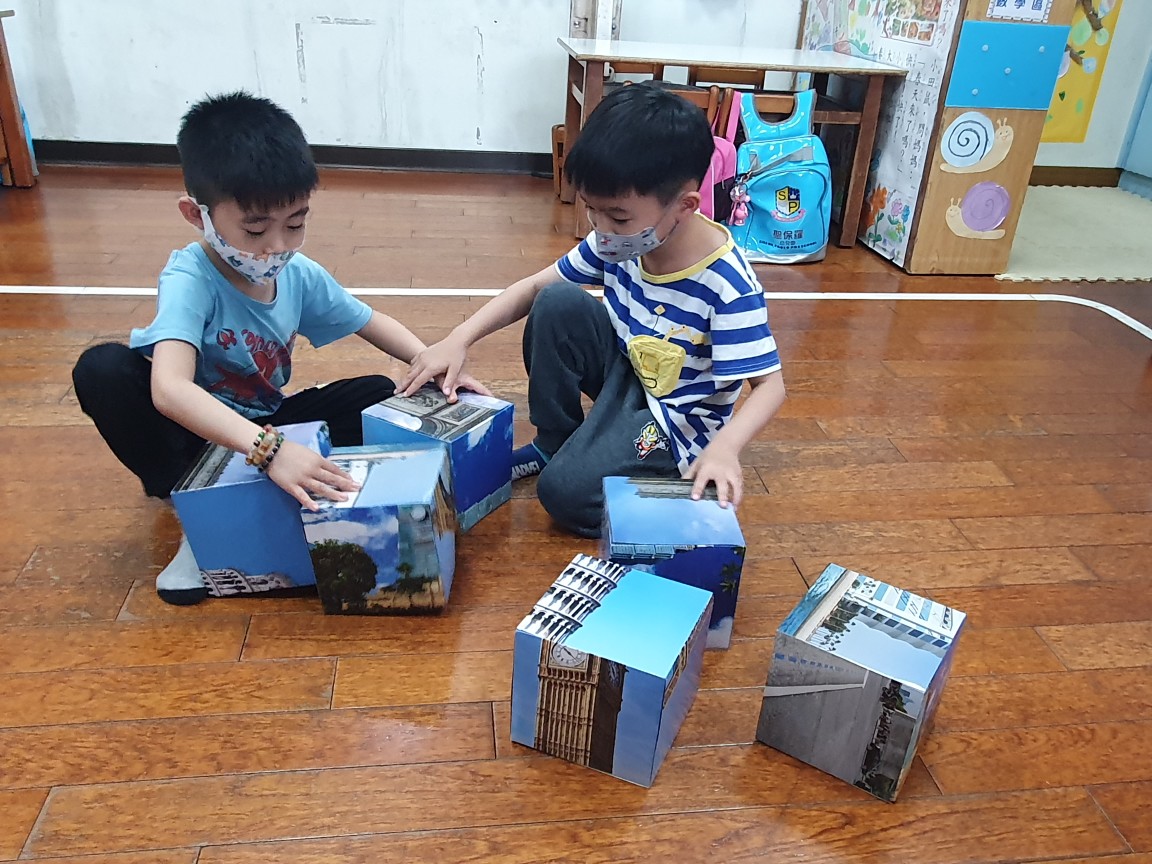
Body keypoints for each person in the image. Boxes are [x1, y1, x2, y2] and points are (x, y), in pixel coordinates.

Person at [72, 91, 486, 604]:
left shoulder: (296, 273)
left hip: (265, 422)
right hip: (192, 440)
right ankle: (200, 518)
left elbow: (369, 321)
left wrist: (431, 362)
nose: (277, 246)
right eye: (254, 229)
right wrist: (270, 453)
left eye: (295, 224)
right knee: (103, 369)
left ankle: (276, 485)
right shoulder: (190, 278)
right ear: (196, 214)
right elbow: (170, 391)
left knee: (379, 392)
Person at [401, 83, 784, 538]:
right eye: (591, 211)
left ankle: (669, 482)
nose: (602, 230)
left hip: (676, 423)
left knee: (564, 494)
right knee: (556, 301)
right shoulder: (617, 241)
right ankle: (555, 442)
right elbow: (535, 287)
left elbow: (770, 386)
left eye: (618, 217)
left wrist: (725, 448)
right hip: (628, 373)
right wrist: (457, 339)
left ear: (684, 206)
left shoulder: (727, 283)